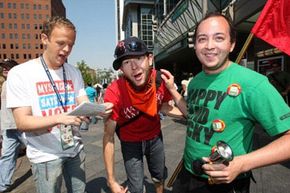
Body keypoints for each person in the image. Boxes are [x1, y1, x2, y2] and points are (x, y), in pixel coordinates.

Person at [161, 12, 290, 193]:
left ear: (232, 44)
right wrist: (173, 91)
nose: (209, 46)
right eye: (202, 39)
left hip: (227, 185)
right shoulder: (197, 80)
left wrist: (242, 163)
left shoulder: (254, 83)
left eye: (219, 38)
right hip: (187, 176)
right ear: (195, 45)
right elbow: (194, 116)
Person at [6, 16, 112, 193]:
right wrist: (60, 118)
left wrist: (97, 110)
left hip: (74, 149)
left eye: (71, 45)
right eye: (61, 43)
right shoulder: (20, 74)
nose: (66, 50)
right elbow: (22, 122)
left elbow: (82, 102)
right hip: (45, 155)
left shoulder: (74, 72)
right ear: (44, 39)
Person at [103, 36, 182, 193]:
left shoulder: (160, 80)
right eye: (126, 62)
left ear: (149, 59)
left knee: (159, 177)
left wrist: (192, 116)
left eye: (138, 58)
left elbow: (165, 107)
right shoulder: (114, 92)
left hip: (155, 137)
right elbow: (108, 136)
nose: (134, 66)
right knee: (136, 188)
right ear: (121, 69)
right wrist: (111, 181)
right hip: (130, 142)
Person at [0, 59, 26, 193]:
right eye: (3, 67)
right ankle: (3, 185)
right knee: (7, 156)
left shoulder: (19, 83)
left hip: (22, 127)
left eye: (8, 67)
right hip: (8, 128)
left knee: (38, 152)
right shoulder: (5, 84)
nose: (5, 69)